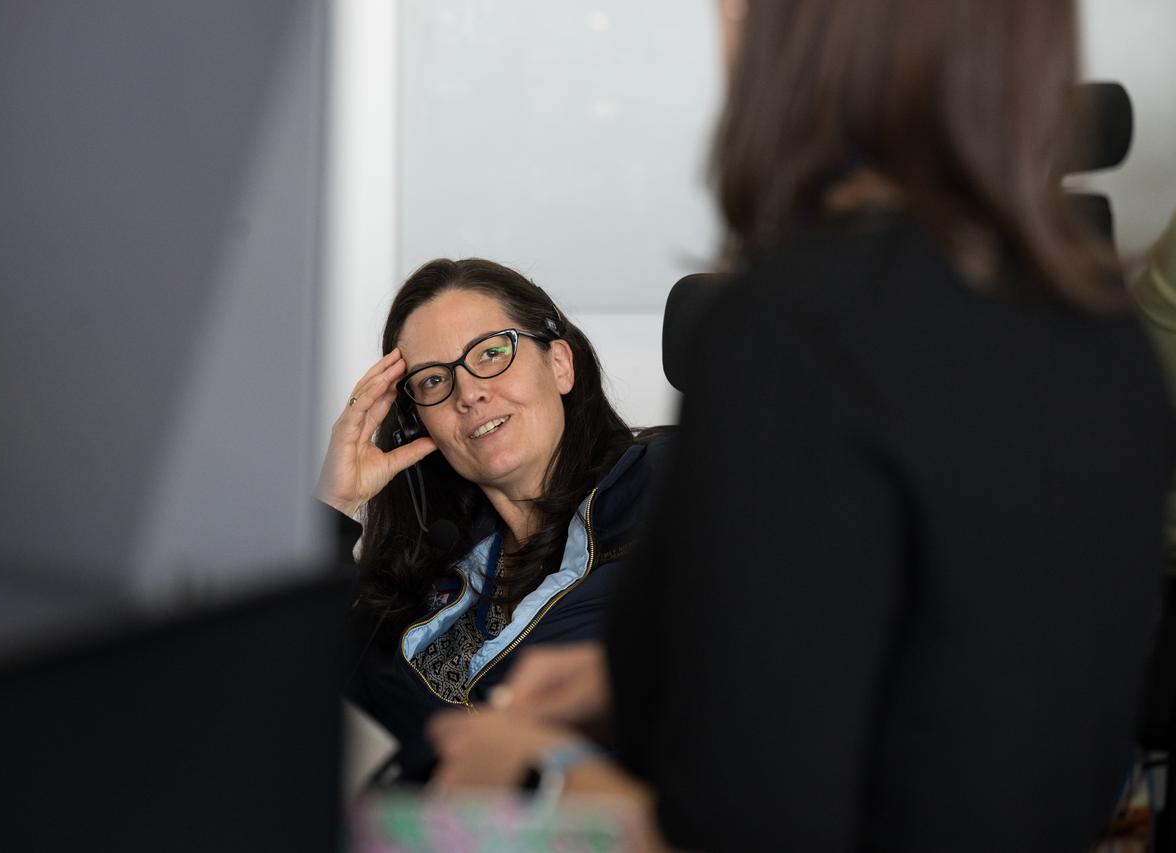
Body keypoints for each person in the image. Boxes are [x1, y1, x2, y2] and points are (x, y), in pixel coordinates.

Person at [428, 2, 1173, 850]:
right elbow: (954, 675)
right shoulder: (1100, 329)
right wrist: (632, 678)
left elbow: (751, 825)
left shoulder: (797, 333)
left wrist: (536, 772)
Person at [319, 257, 667, 783]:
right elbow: (300, 683)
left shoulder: (671, 485)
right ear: (419, 421)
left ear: (560, 365)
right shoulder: (429, 570)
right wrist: (334, 504)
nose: (469, 393)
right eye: (434, 380)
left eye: (491, 352)